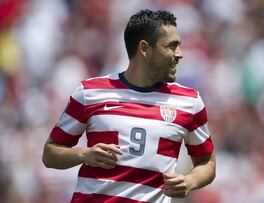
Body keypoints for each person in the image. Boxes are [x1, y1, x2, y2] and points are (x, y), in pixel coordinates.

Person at [42, 9, 216, 203]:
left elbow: (207, 163)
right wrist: (84, 154)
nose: (179, 54)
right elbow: (50, 154)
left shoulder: (189, 102)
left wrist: (190, 181)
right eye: (171, 46)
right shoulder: (90, 92)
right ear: (144, 49)